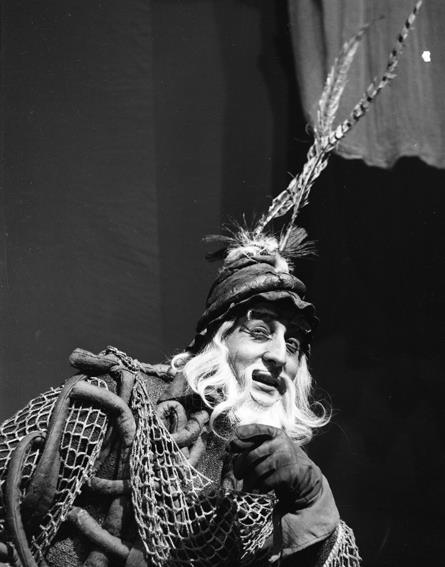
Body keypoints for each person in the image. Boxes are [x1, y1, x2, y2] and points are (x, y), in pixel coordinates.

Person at [0, 5, 421, 565]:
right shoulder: (114, 407)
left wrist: (310, 500)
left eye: (294, 344)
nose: (281, 357)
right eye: (259, 331)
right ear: (214, 344)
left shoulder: (272, 490)